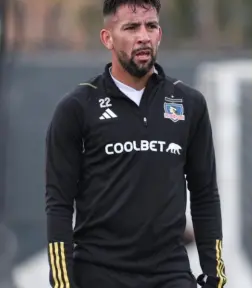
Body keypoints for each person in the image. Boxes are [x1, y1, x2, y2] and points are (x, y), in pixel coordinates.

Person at [45, 1, 226, 287]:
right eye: (131, 27)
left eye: (150, 26)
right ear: (107, 38)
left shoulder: (188, 103)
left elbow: (205, 195)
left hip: (170, 273)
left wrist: (214, 276)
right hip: (99, 273)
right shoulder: (77, 107)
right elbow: (58, 204)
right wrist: (63, 283)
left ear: (159, 34)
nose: (143, 36)